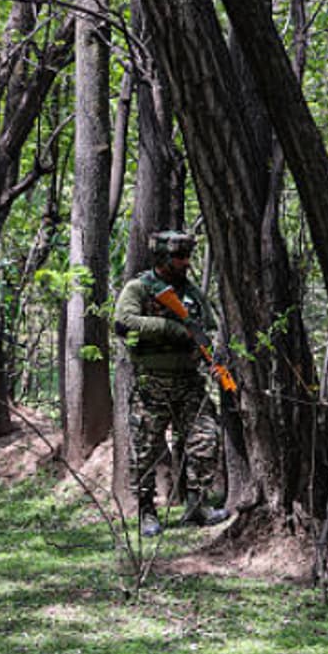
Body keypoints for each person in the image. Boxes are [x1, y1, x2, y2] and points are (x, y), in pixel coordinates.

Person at [115, 230, 229, 538]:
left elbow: (209, 329)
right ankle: (146, 512)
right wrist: (171, 328)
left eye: (188, 256)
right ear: (163, 258)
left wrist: (214, 358)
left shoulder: (191, 293)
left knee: (206, 438)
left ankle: (197, 505)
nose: (186, 263)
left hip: (189, 382)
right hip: (151, 384)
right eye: (179, 257)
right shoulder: (140, 288)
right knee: (144, 450)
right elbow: (123, 322)